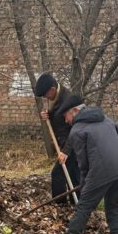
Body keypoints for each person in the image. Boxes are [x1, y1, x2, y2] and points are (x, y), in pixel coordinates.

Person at [48, 95, 118, 234]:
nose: (66, 121)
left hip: (102, 171)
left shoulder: (77, 131)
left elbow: (83, 164)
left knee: (84, 206)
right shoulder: (105, 120)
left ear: (75, 111)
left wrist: (85, 184)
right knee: (112, 205)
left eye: (66, 116)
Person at [34, 72, 80, 204]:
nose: (46, 98)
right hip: (64, 145)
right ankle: (75, 204)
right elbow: (58, 115)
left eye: (45, 95)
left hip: (72, 145)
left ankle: (62, 206)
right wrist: (48, 115)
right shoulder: (56, 97)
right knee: (72, 175)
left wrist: (66, 151)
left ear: (52, 89)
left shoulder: (67, 99)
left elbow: (75, 128)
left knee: (59, 174)